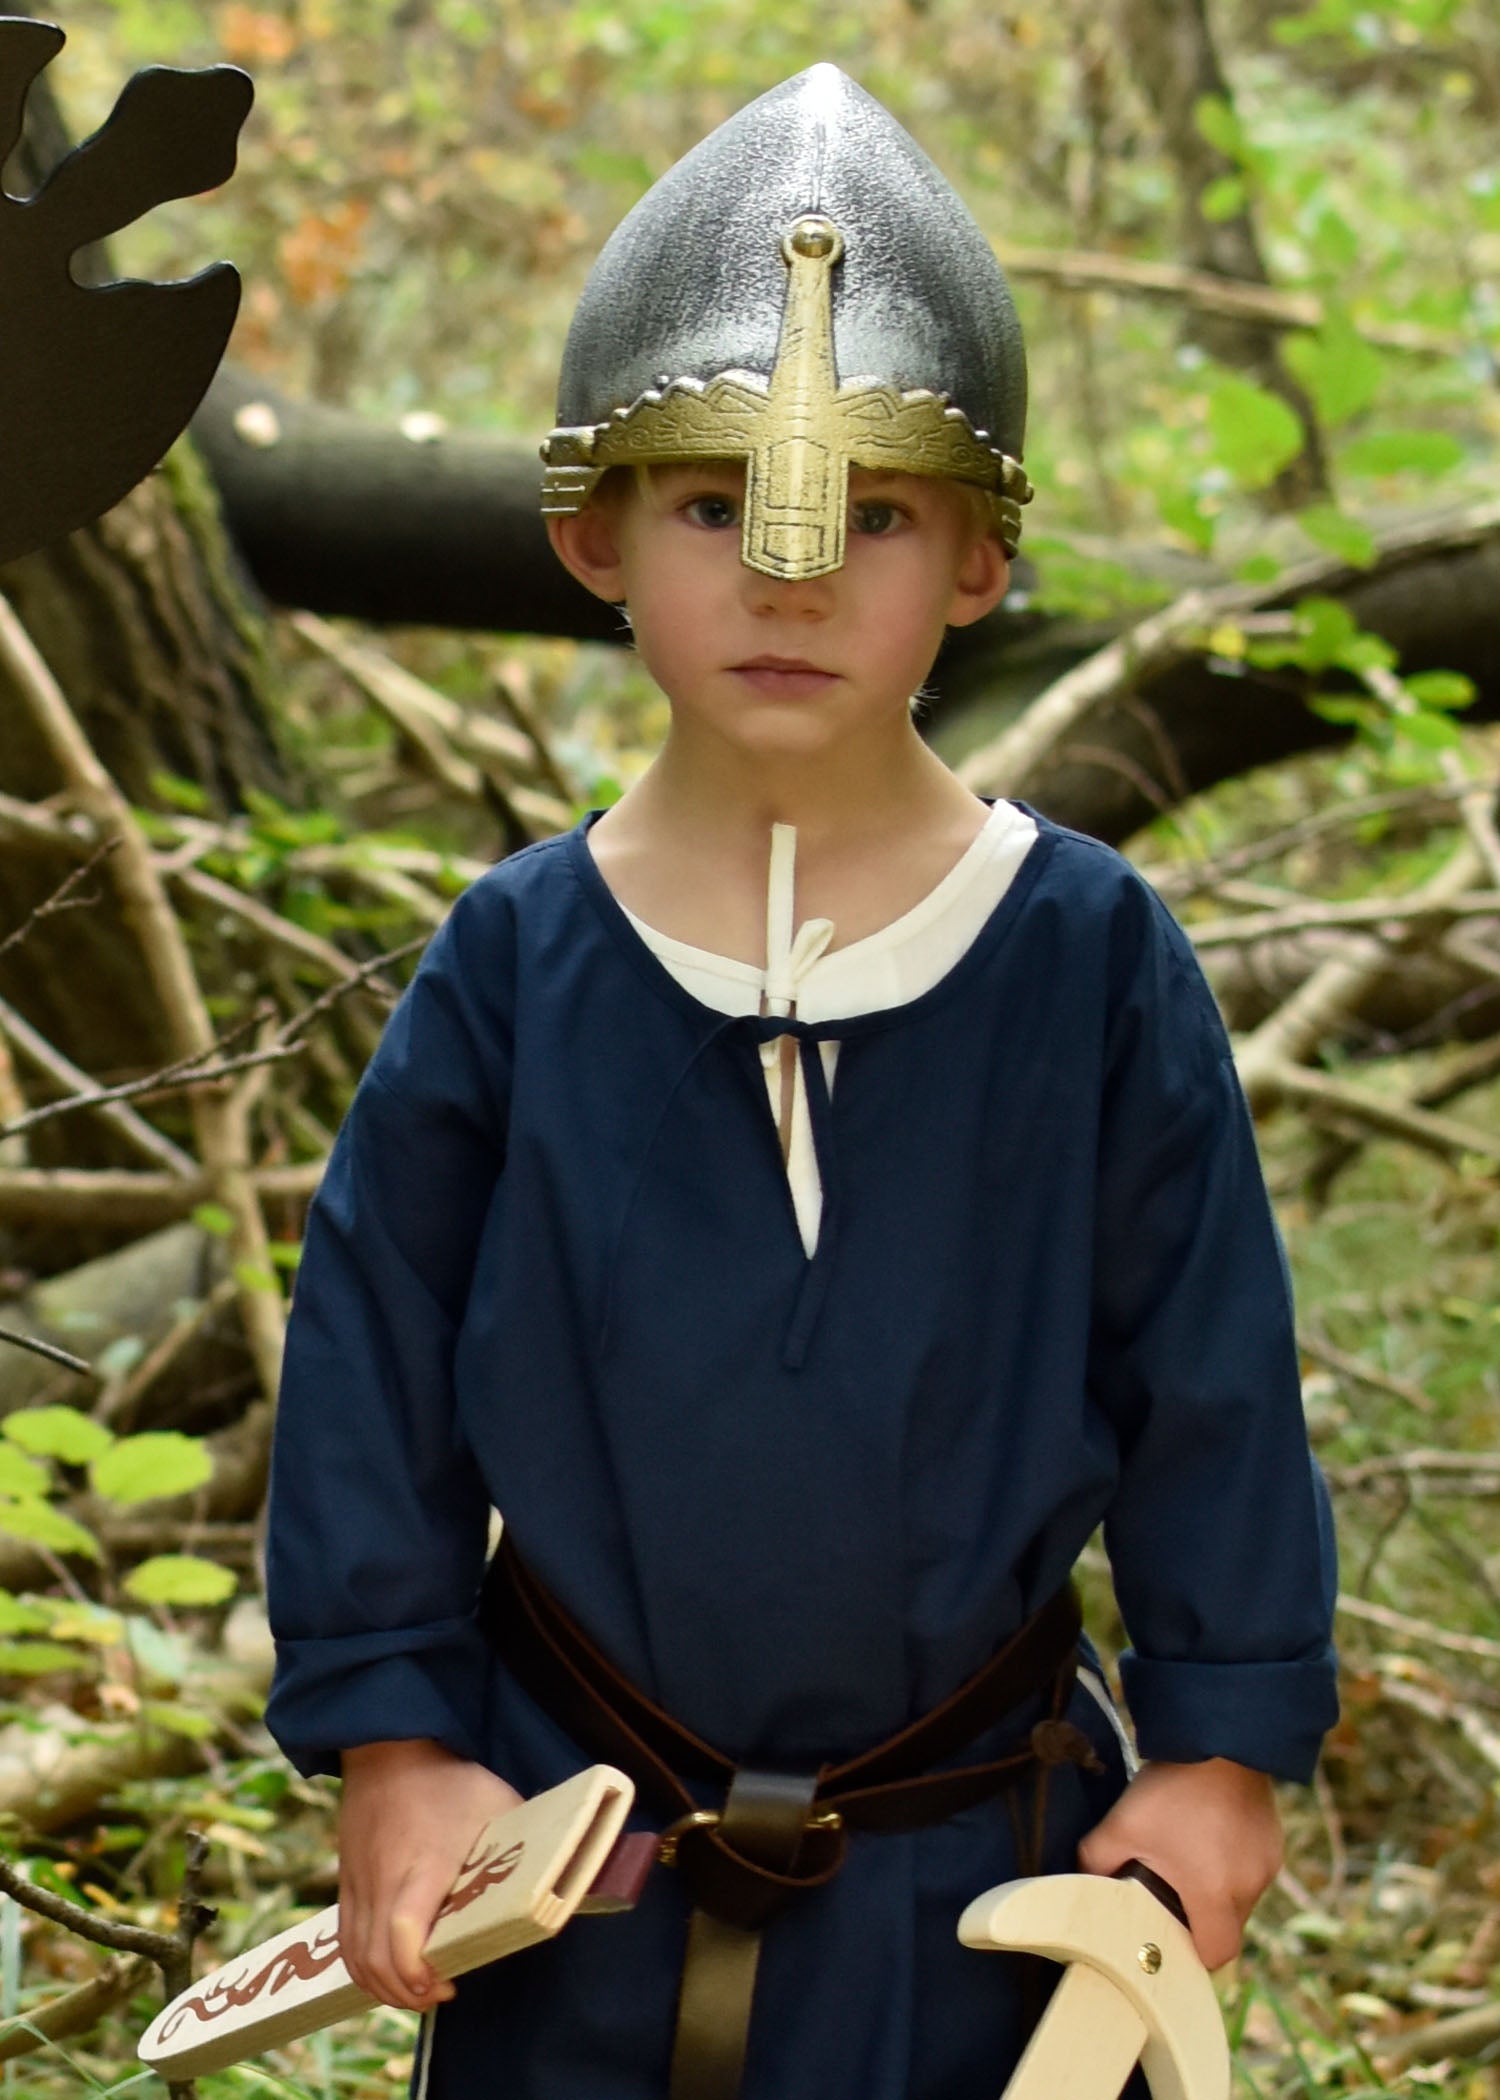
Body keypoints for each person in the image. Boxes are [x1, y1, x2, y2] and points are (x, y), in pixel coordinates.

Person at [264, 63, 1338, 2100]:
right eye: (714, 501)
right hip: (575, 1876)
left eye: (879, 512)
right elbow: (375, 1368)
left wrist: (1217, 1758)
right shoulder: (518, 961)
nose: (790, 573)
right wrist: (402, 1754)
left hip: (985, 1881)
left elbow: (1210, 1377)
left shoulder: (1089, 957)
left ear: (984, 565)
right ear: (590, 537)